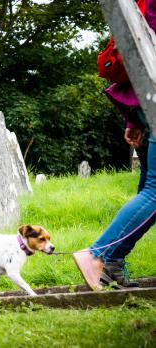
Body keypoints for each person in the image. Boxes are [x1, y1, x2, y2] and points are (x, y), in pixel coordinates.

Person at [74, 0, 156, 290]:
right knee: (155, 192)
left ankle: (111, 263)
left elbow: (140, 55)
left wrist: (134, 121)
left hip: (146, 106)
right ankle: (97, 254)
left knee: (151, 190)